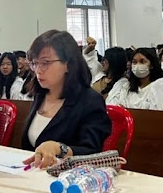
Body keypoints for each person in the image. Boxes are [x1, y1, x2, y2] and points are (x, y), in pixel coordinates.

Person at [21, 30, 111, 168]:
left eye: (45, 62)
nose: (38, 70)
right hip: (36, 173)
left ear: (68, 64)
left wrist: (59, 148)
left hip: (70, 176)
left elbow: (92, 151)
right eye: (34, 63)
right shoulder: (41, 96)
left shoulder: (90, 101)